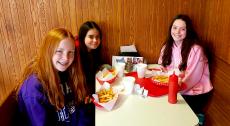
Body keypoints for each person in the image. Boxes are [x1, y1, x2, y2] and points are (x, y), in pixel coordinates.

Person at [17, 28, 92, 126]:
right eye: (59, 51)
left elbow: (80, 108)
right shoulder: (33, 89)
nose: (66, 58)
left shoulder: (67, 71)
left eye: (71, 52)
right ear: (48, 51)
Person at [158, 14, 213, 125]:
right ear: (170, 29)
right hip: (174, 86)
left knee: (172, 113)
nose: (177, 32)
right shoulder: (167, 46)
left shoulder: (196, 49)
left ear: (188, 31)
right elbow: (161, 67)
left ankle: (197, 118)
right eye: (175, 28)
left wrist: (171, 89)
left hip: (194, 92)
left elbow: (192, 79)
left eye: (182, 29)